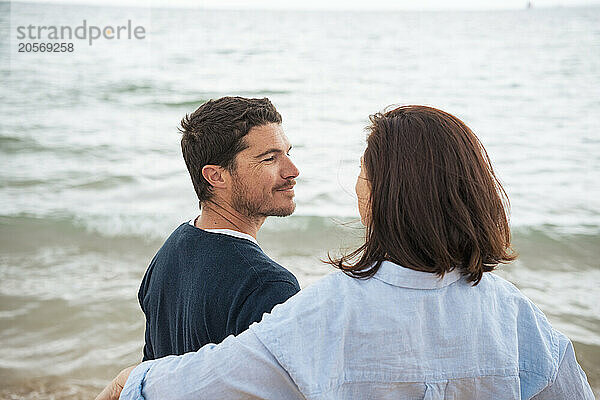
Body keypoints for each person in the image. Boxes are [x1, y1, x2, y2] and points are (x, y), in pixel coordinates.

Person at [97, 105, 594, 400]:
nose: (293, 171)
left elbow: (206, 378)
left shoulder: (321, 314)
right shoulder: (517, 317)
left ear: (380, 195)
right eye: (271, 158)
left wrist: (132, 383)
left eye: (363, 171)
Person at [138, 97, 300, 361]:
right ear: (216, 176)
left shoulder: (170, 251)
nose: (293, 170)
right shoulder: (267, 286)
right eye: (270, 158)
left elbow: (152, 368)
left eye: (288, 153)